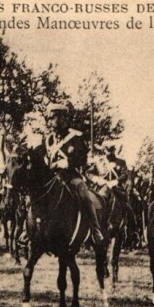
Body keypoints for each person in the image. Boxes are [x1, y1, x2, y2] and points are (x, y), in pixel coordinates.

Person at [35, 103, 104, 244]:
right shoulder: (48, 139)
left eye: (54, 118)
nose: (51, 121)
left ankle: (95, 229)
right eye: (50, 118)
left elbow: (82, 158)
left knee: (84, 194)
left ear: (63, 119)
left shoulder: (75, 137)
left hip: (70, 177)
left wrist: (66, 163)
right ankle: (30, 229)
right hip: (51, 178)